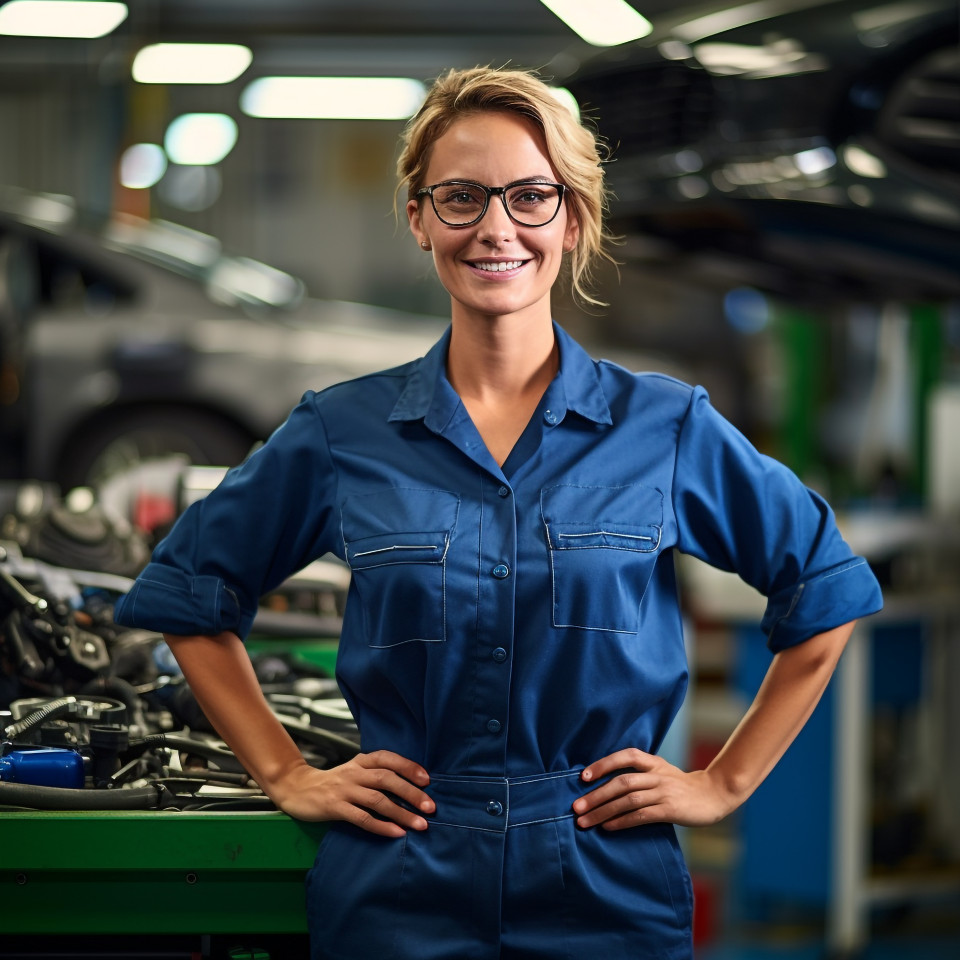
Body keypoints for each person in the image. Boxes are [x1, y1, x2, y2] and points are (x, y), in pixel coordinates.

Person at [114, 66, 883, 960]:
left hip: (604, 880)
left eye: (530, 196)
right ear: (417, 217)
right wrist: (286, 771)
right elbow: (186, 595)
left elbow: (823, 589)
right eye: (461, 197)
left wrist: (722, 784)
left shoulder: (666, 428)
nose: (495, 227)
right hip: (403, 875)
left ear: (573, 218)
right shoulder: (342, 432)